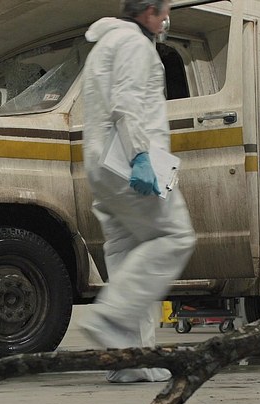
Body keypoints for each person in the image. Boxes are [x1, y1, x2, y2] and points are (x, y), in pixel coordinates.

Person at [79, 0, 197, 383]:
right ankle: (111, 318)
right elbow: (127, 104)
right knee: (175, 237)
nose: (167, 19)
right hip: (129, 163)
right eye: (164, 11)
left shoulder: (104, 45)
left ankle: (128, 362)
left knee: (128, 255)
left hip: (103, 165)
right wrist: (141, 156)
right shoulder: (133, 44)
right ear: (148, 12)